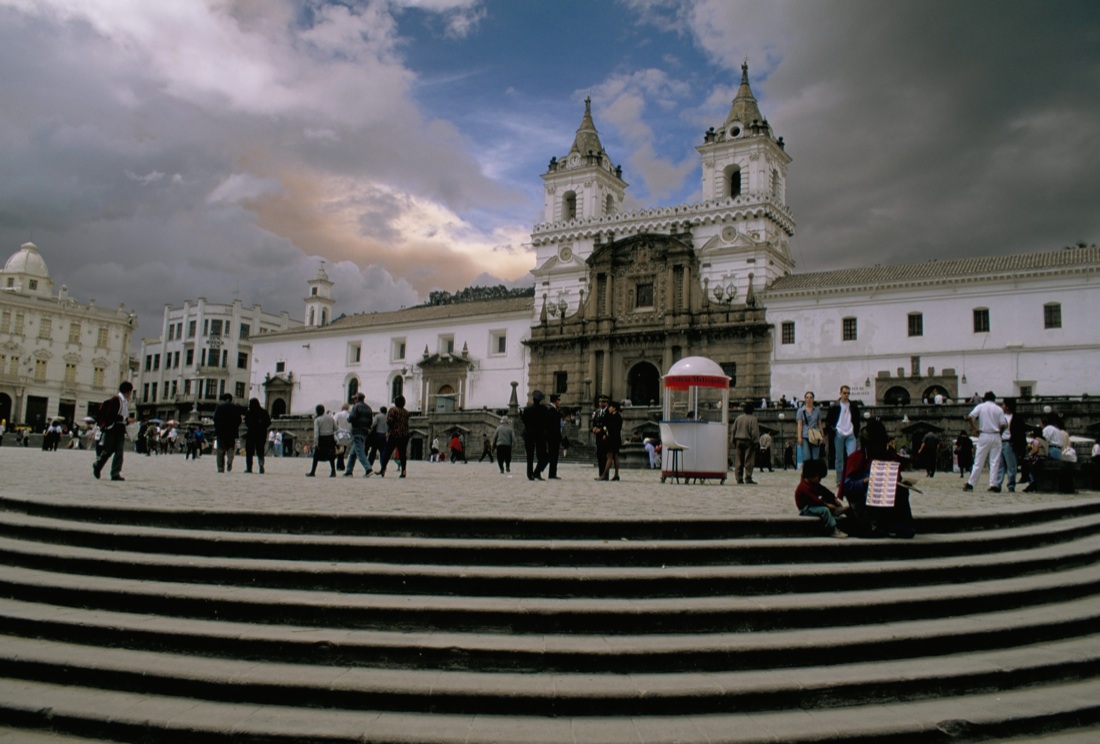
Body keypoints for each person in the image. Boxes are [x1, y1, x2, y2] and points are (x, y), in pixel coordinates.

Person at [839, 418, 915, 539]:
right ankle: (872, 525)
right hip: (863, 498)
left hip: (887, 497)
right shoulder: (857, 458)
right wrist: (865, 481)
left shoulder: (889, 456)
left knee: (901, 491)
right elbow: (847, 486)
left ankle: (899, 526)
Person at [964, 391, 1007, 492]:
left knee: (979, 461)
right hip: (996, 435)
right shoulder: (998, 409)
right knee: (994, 462)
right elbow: (1003, 424)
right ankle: (993, 484)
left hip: (984, 434)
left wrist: (974, 428)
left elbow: (970, 417)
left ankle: (971, 483)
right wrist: (999, 433)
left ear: (984, 398)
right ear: (994, 399)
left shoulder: (981, 407)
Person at [795, 458, 848, 538]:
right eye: (819, 478)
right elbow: (814, 500)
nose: (820, 480)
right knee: (825, 510)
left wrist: (833, 499)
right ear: (811, 475)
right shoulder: (803, 487)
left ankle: (836, 511)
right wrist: (827, 505)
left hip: (813, 504)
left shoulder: (813, 483)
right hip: (805, 508)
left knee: (827, 499)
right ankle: (832, 529)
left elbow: (824, 491)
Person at [92, 381, 134, 482]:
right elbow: (111, 415)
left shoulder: (124, 402)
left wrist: (127, 421)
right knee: (108, 450)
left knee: (119, 451)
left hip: (120, 429)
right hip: (112, 429)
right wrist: (125, 419)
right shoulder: (117, 400)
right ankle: (98, 465)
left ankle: (115, 473)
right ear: (128, 392)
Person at [826, 385, 862, 485]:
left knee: (852, 456)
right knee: (839, 458)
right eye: (844, 393)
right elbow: (828, 421)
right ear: (840, 393)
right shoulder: (834, 406)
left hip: (850, 434)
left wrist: (855, 432)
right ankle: (839, 480)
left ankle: (850, 478)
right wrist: (834, 430)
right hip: (839, 433)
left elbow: (857, 420)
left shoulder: (853, 406)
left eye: (848, 393)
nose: (846, 395)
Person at [992, 398, 1026, 492]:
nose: (1002, 406)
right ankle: (997, 484)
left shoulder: (1016, 418)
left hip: (1009, 443)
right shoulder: (1000, 416)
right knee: (1000, 465)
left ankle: (1011, 485)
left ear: (1008, 406)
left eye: (1003, 405)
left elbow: (1020, 432)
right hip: (1000, 442)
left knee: (1011, 466)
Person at [213, 393, 246, 474]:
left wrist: (217, 428)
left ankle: (220, 468)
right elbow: (239, 420)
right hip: (231, 432)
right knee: (230, 448)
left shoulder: (220, 407)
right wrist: (235, 427)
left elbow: (215, 418)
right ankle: (230, 460)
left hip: (221, 432)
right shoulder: (235, 407)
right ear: (231, 399)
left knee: (220, 450)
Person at [343, 393, 374, 477]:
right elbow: (371, 421)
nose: (354, 400)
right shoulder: (369, 408)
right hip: (365, 432)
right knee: (353, 453)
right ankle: (349, 471)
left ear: (357, 399)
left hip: (357, 432)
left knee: (359, 452)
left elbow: (351, 418)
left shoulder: (356, 407)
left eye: (354, 398)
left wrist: (348, 418)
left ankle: (368, 469)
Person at [522, 390, 549, 481]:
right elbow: (546, 423)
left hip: (529, 434)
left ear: (533, 399)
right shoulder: (544, 409)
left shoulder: (527, 409)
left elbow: (524, 422)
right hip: (540, 435)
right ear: (540, 400)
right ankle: (537, 472)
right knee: (543, 456)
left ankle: (530, 474)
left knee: (530, 456)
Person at [380, 395, 410, 478]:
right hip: (405, 434)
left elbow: (389, 421)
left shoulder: (393, 410)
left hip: (395, 434)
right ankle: (403, 471)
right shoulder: (406, 412)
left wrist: (391, 429)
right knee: (402, 453)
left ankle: (383, 469)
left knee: (387, 452)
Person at [731, 402, 760, 484]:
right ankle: (748, 477)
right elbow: (755, 432)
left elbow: (733, 430)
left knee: (738, 460)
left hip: (738, 440)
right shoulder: (753, 419)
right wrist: (755, 442)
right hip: (748, 441)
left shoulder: (738, 418)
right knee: (749, 460)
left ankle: (738, 478)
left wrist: (733, 440)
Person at [796, 391, 825, 471]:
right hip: (805, 435)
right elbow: (799, 424)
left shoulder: (817, 410)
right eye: (807, 397)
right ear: (805, 399)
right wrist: (799, 437)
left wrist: (822, 435)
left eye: (811, 397)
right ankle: (807, 474)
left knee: (815, 457)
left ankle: (814, 475)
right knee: (807, 457)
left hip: (815, 435)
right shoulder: (801, 411)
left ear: (813, 399)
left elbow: (819, 424)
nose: (809, 399)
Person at [306, 404, 337, 477]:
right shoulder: (330, 418)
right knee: (331, 456)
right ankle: (333, 472)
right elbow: (336, 428)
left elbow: (316, 432)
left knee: (316, 456)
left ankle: (313, 471)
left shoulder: (317, 419)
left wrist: (316, 443)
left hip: (322, 439)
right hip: (330, 438)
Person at [243, 398, 271, 474]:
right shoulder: (264, 412)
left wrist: (252, 426)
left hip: (251, 434)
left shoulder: (249, 412)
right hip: (261, 434)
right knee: (260, 451)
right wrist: (262, 427)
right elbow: (268, 422)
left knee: (249, 452)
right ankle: (261, 463)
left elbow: (246, 422)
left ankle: (249, 468)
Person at [599, 400, 623, 481]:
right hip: (615, 439)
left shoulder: (616, 417)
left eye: (610, 407)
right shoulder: (615, 416)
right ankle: (616, 474)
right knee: (615, 457)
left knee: (609, 457)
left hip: (612, 440)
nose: (609, 408)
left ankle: (604, 474)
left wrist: (606, 435)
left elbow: (613, 430)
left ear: (614, 408)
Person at [591, 394, 610, 477]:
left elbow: (609, 424)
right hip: (598, 437)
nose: (601, 403)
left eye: (603, 402)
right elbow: (594, 422)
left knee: (604, 457)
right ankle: (600, 474)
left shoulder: (608, 412)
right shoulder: (598, 412)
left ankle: (605, 474)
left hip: (605, 437)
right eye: (600, 402)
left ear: (606, 403)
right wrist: (594, 428)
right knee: (599, 456)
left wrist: (601, 430)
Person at [546, 393, 563, 479]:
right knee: (553, 456)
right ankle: (552, 474)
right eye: (559, 400)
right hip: (553, 437)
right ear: (556, 401)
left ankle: (552, 473)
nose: (559, 402)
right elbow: (555, 427)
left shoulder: (552, 410)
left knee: (553, 456)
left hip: (551, 437)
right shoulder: (552, 410)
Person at [366, 406, 387, 472]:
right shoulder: (387, 417)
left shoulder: (377, 416)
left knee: (373, 451)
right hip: (384, 435)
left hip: (377, 435)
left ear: (380, 410)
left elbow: (373, 424)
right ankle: (383, 467)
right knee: (382, 452)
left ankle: (369, 466)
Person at [333, 402, 352, 472]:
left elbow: (334, 421)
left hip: (339, 433)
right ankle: (341, 464)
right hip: (347, 433)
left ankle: (339, 464)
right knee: (344, 448)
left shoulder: (338, 414)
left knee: (339, 449)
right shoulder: (349, 415)